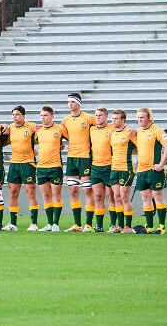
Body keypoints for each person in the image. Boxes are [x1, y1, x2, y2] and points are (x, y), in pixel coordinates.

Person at [61, 93, 96, 232]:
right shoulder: (65, 120)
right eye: (68, 102)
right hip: (72, 157)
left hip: (86, 157)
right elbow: (63, 136)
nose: (70, 104)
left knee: (87, 190)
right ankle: (77, 224)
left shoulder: (89, 118)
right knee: (73, 190)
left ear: (79, 103)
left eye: (73, 102)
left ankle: (88, 223)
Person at [135, 108, 167, 234]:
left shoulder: (157, 131)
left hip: (154, 170)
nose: (140, 120)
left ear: (149, 118)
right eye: (138, 117)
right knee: (146, 198)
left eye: (142, 117)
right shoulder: (139, 132)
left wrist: (161, 165)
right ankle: (149, 227)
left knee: (158, 196)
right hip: (141, 171)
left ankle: (161, 226)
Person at [4, 106, 39, 231]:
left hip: (28, 163)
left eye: (17, 114)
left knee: (30, 192)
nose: (15, 117)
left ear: (24, 116)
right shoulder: (11, 128)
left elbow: (41, 139)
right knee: (13, 193)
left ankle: (34, 223)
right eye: (13, 114)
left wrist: (36, 150)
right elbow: (4, 142)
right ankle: (13, 223)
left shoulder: (31, 126)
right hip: (14, 164)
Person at [35, 106, 65, 232]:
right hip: (41, 167)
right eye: (41, 115)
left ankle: (56, 224)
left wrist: (61, 146)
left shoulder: (60, 129)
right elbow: (28, 142)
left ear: (52, 116)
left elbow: (71, 140)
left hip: (55, 167)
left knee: (56, 195)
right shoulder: (38, 130)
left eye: (45, 115)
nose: (43, 118)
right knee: (46, 196)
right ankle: (49, 223)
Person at [109, 109, 137, 233]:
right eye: (112, 118)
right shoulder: (113, 133)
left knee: (124, 196)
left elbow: (140, 146)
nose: (113, 121)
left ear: (123, 120)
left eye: (116, 119)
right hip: (114, 168)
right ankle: (120, 225)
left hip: (126, 169)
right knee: (116, 197)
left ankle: (128, 226)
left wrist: (128, 153)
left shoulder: (130, 133)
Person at [87, 107, 114, 233]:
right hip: (95, 167)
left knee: (111, 196)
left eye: (100, 115)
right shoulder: (91, 130)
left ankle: (114, 224)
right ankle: (99, 225)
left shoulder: (112, 129)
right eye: (96, 115)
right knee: (98, 196)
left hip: (109, 166)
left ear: (106, 116)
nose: (97, 117)